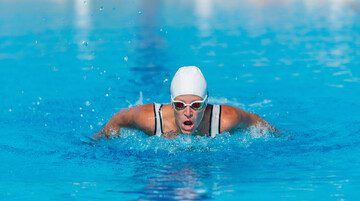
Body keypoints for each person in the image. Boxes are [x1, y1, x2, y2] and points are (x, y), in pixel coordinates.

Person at [93, 66, 277, 140]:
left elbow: (256, 122)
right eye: (180, 105)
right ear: (172, 103)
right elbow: (118, 118)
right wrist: (99, 139)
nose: (187, 113)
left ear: (205, 104)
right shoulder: (149, 118)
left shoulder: (226, 119)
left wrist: (279, 136)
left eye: (196, 105)